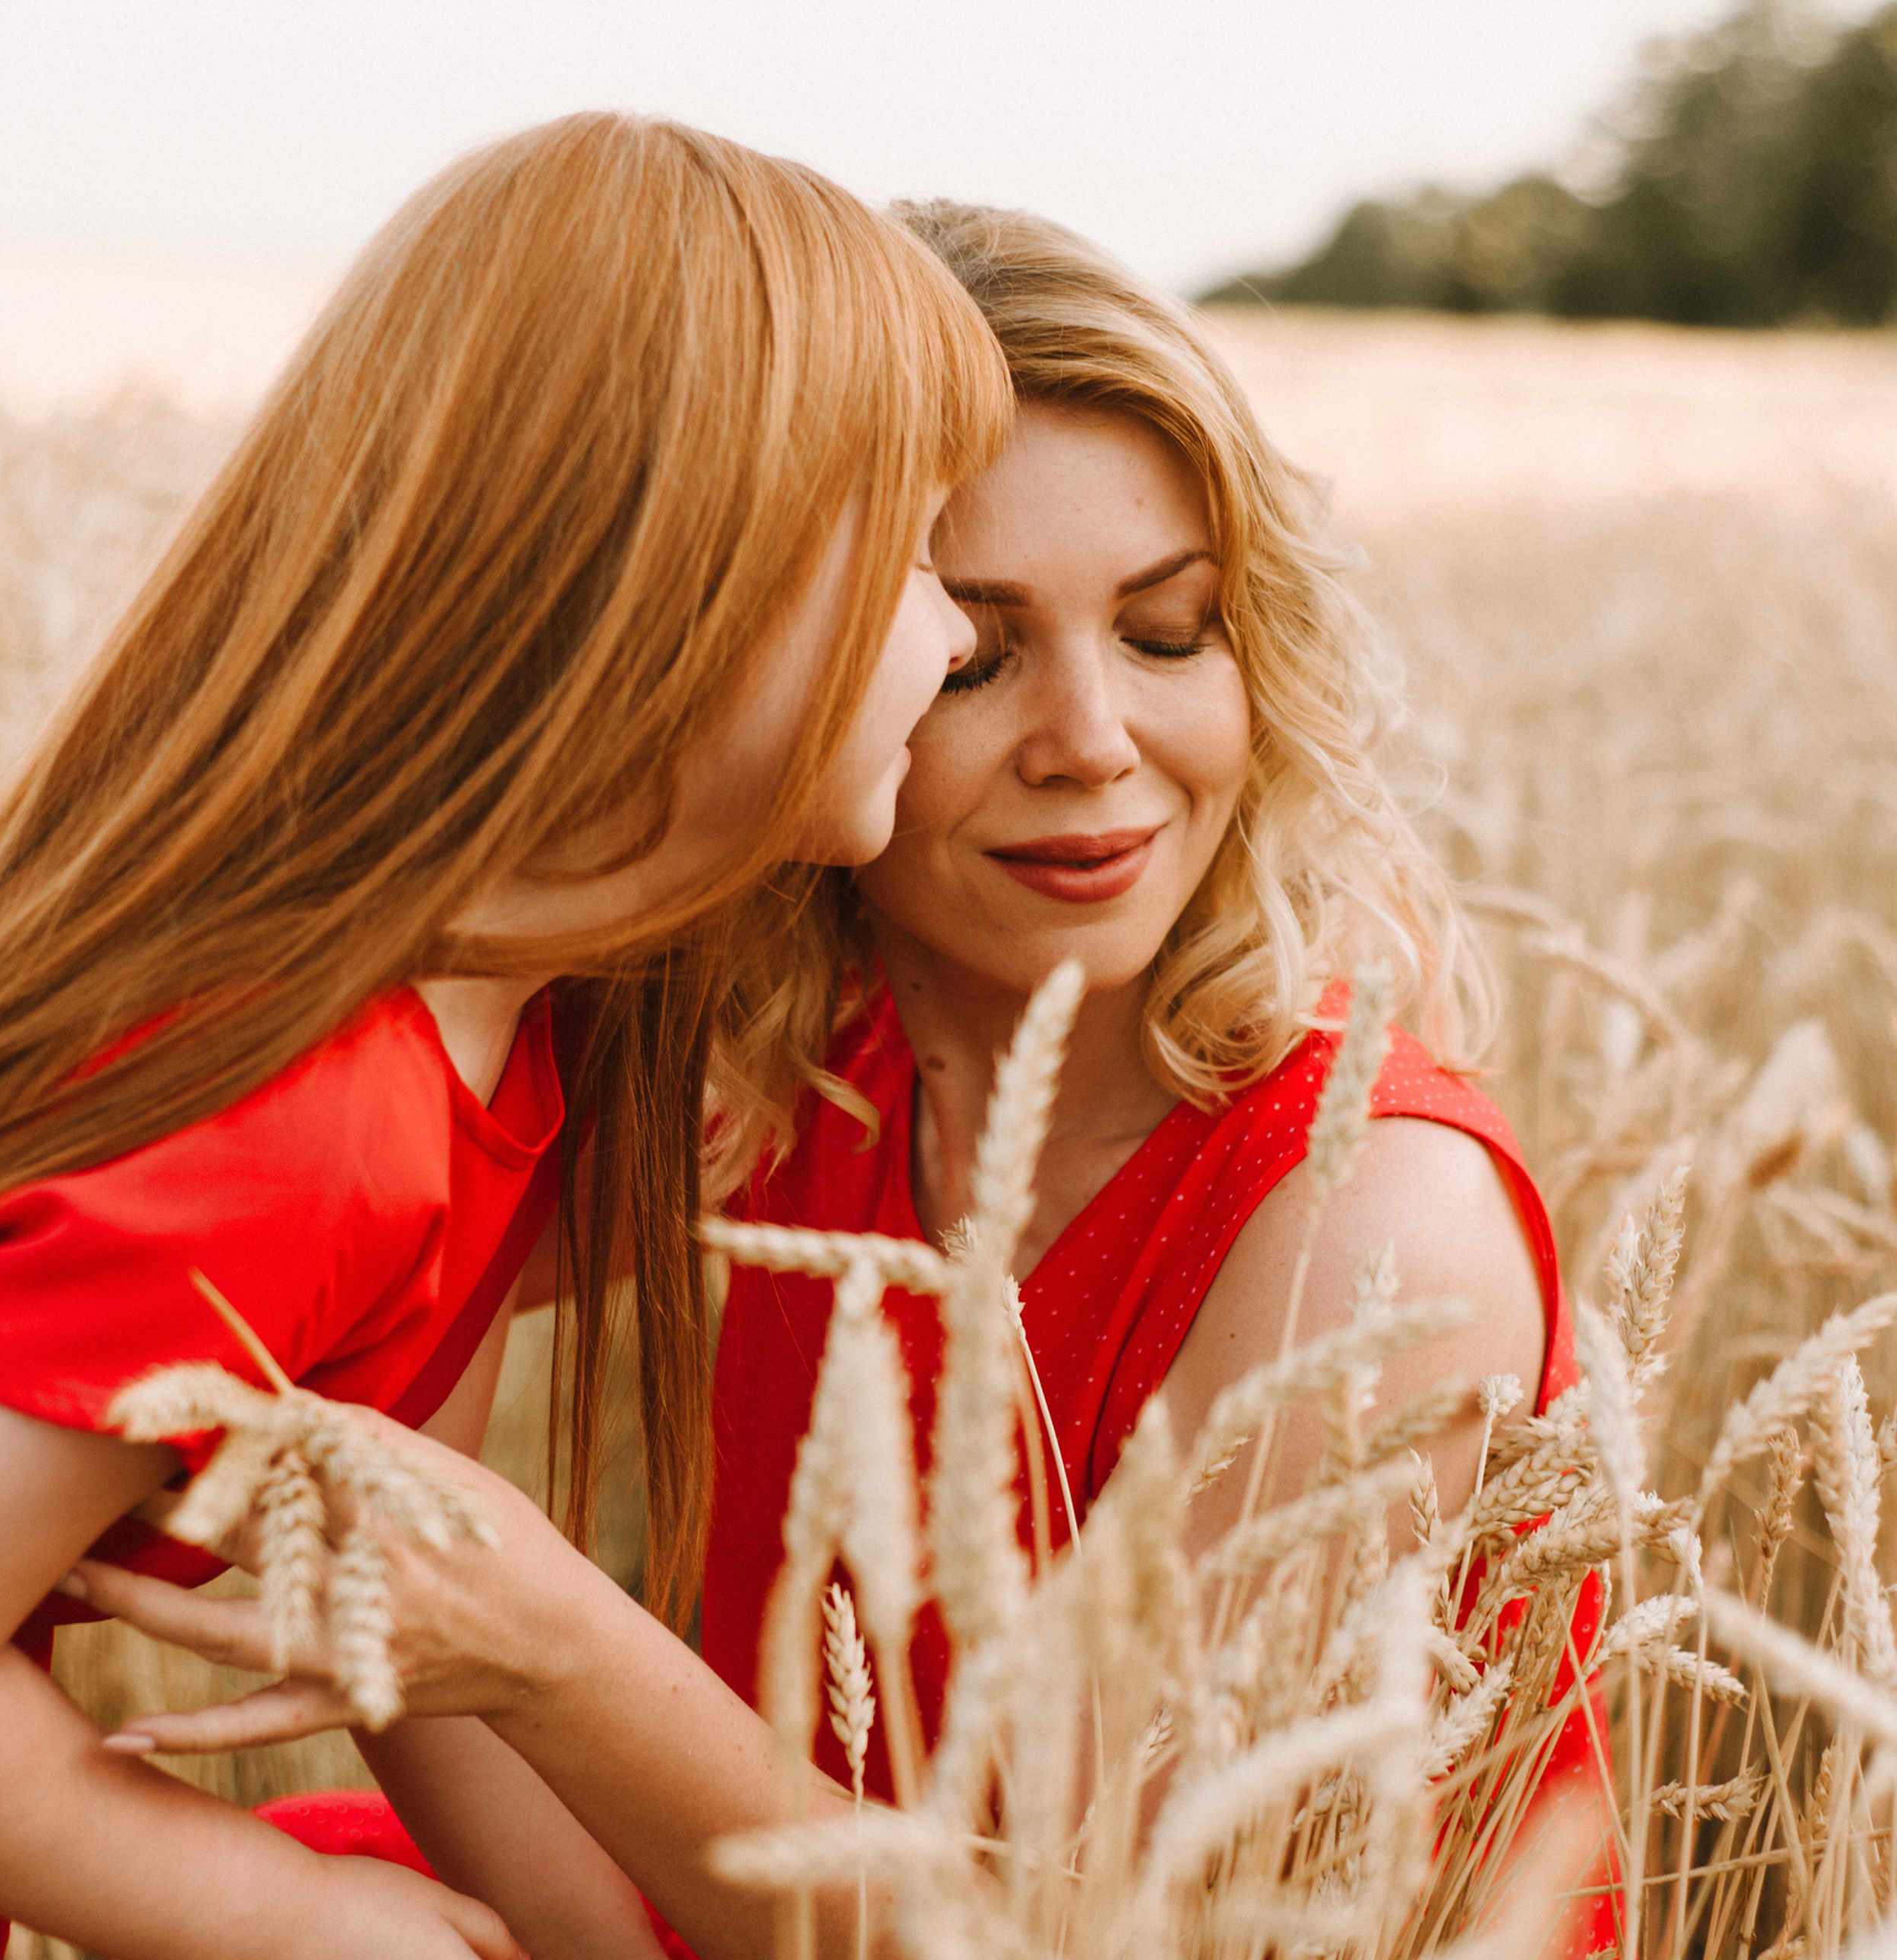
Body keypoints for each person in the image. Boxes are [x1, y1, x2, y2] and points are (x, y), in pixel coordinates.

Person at [77, 203, 1610, 1952]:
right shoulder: (760, 1053)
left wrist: (552, 1642)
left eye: (1168, 630)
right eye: (971, 650)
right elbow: (355, 1380)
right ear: (775, 662)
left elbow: (1075, 1933)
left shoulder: (1367, 1219)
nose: (1092, 742)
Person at [0, 118, 1012, 1960]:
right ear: (693, 573)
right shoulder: (301, 1123)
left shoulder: (504, 1047)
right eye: (915, 554)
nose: (954, 628)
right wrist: (293, 1915)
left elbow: (404, 1587)